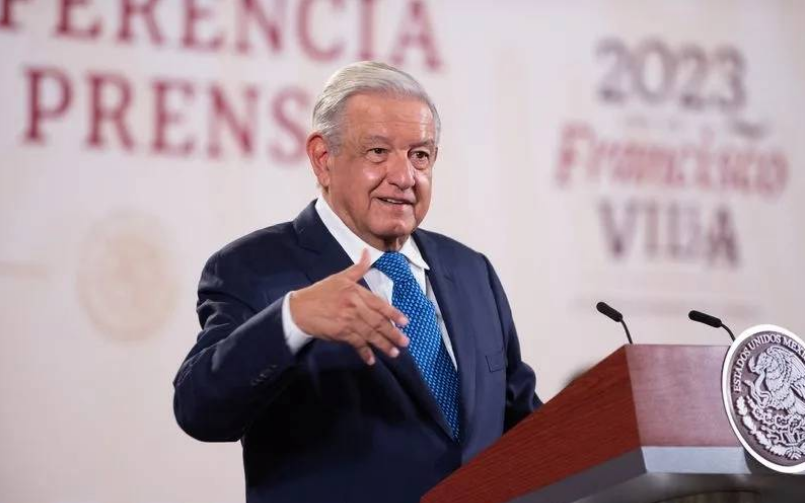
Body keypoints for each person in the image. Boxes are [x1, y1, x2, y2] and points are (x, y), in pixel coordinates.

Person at [173, 61, 541, 503]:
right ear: (323, 159)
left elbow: (526, 425)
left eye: (420, 155)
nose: (404, 177)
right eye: (378, 152)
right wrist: (293, 320)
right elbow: (200, 410)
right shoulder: (255, 268)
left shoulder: (471, 271)